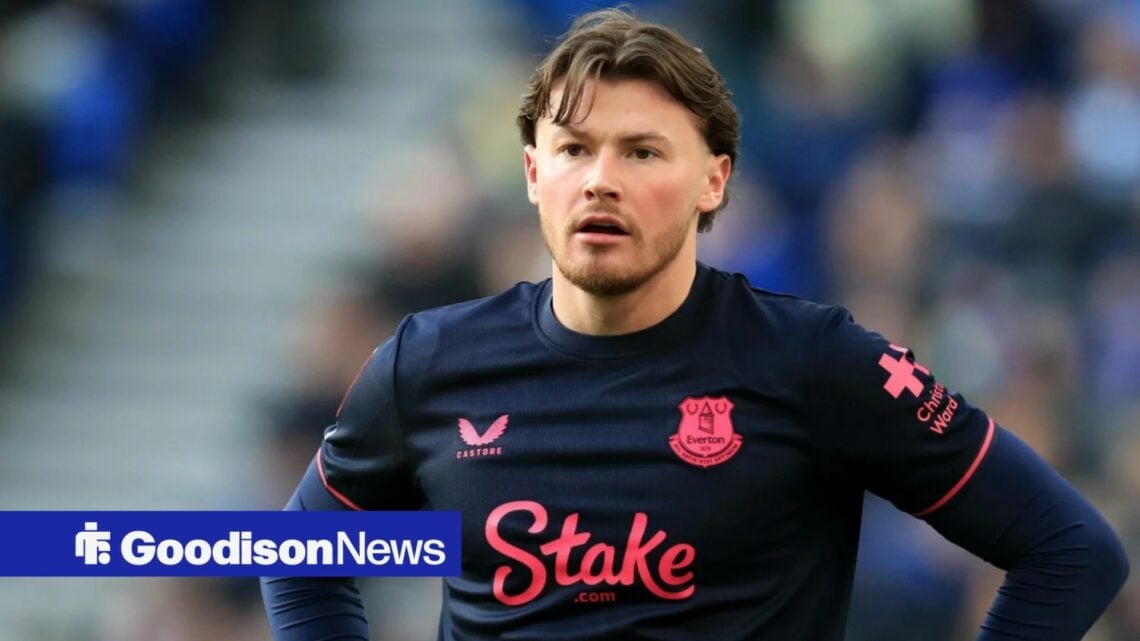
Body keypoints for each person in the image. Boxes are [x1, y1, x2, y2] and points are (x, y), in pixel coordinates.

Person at [261, 8, 1129, 640]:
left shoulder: (813, 361)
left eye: (642, 151)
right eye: (574, 149)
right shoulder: (430, 361)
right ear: (532, 174)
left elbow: (1070, 549)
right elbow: (300, 560)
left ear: (714, 180)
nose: (601, 179)